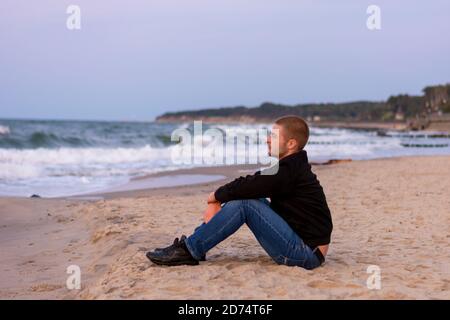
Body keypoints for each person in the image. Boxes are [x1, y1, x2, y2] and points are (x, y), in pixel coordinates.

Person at [146, 115, 333, 270]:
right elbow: (251, 183)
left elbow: (248, 185)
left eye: (274, 136)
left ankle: (189, 250)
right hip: (304, 247)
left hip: (304, 254)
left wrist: (214, 197)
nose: (267, 139)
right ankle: (194, 246)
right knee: (248, 197)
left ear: (291, 144)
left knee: (245, 203)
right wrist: (218, 199)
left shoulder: (287, 171)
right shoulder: (291, 167)